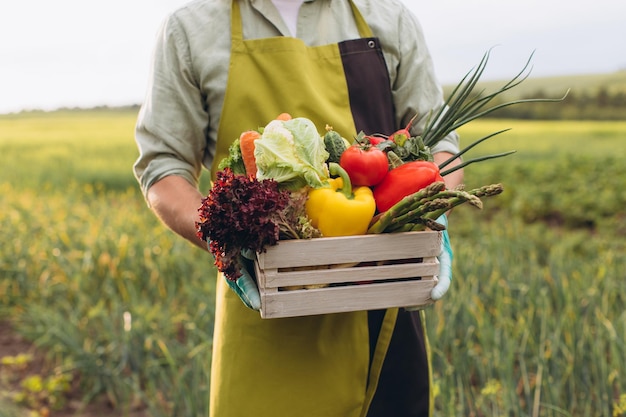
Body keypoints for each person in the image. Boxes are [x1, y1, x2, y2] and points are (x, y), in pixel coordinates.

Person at [133, 0, 464, 416]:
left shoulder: (386, 17)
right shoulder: (191, 28)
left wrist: (435, 212)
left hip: (382, 309)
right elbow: (163, 168)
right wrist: (225, 238)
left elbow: (441, 147)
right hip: (266, 317)